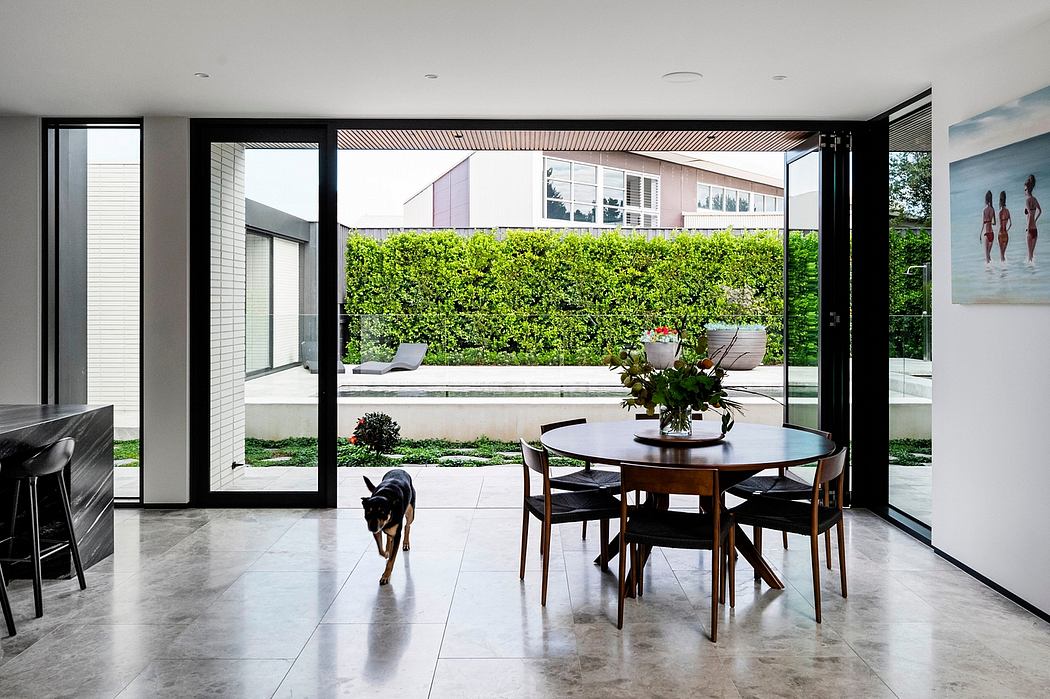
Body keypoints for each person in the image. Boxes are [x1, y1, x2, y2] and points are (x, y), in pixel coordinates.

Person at [1024, 174, 1042, 264]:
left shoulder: (1027, 200)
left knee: (1029, 255)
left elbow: (1030, 214)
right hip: (1035, 229)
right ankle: (1033, 271)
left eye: (1025, 189)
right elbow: (1040, 211)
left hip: (1030, 229)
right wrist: (1035, 220)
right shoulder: (1035, 199)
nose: (1024, 191)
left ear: (1027, 189)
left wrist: (1027, 228)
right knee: (1031, 255)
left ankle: (1030, 271)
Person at [980, 190, 995, 265]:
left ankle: (989, 270)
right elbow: (994, 223)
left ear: (985, 199)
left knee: (986, 257)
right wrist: (990, 222)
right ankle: (992, 269)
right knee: (988, 255)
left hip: (986, 234)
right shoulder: (992, 209)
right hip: (991, 234)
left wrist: (980, 234)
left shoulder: (984, 210)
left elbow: (983, 224)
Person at [998, 190, 1012, 262]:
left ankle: (1003, 267)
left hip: (1001, 233)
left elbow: (1000, 224)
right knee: (1003, 253)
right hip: (1006, 234)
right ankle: (1005, 267)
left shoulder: (1000, 212)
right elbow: (1010, 224)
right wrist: (1007, 230)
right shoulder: (1007, 211)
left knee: (1001, 254)